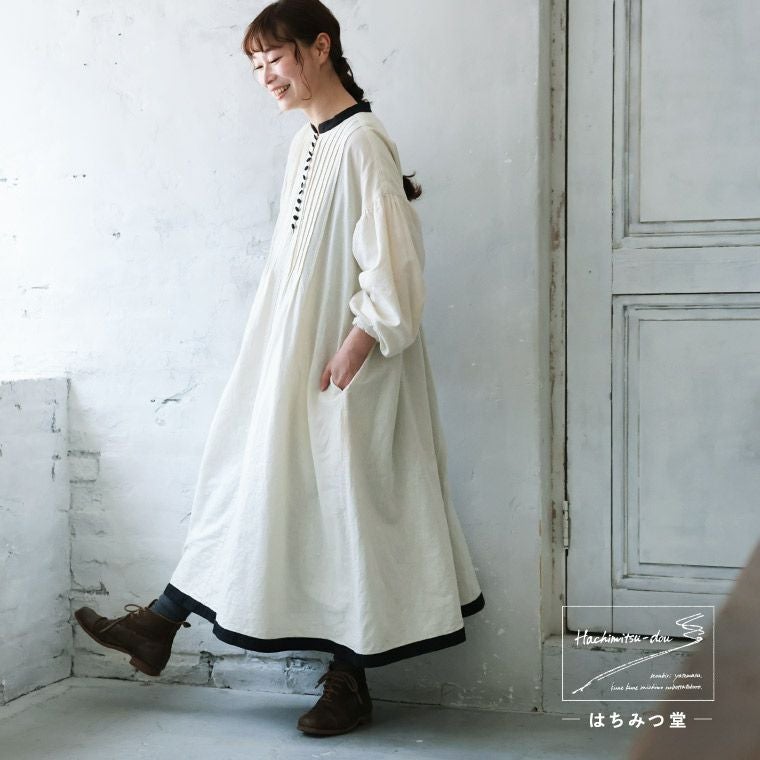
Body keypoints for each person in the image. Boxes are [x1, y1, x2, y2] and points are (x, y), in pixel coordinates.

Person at [74, 0, 485, 738]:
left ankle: (346, 683)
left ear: (319, 47)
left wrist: (358, 344)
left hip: (347, 364)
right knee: (257, 484)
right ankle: (161, 622)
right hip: (293, 357)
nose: (265, 75)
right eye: (255, 64)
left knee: (350, 510)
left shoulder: (362, 143)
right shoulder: (307, 144)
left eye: (275, 57)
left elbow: (394, 263)